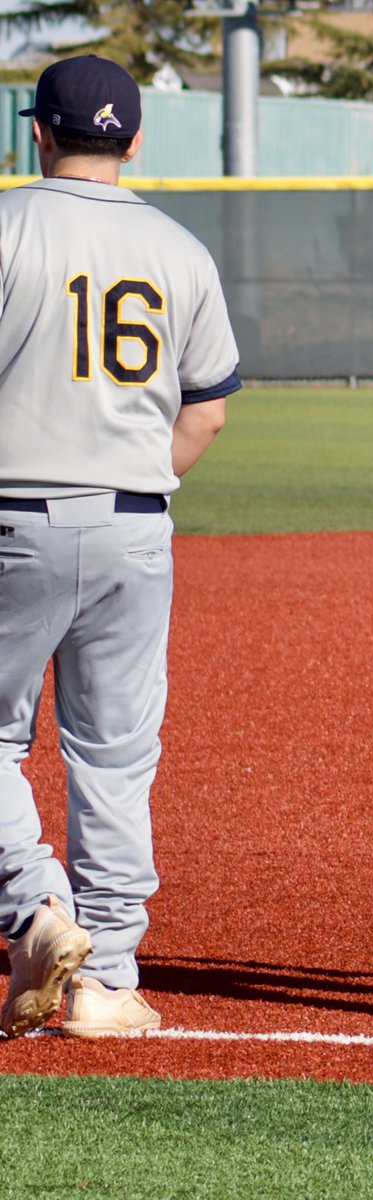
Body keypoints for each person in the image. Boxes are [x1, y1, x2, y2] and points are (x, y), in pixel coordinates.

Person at [0, 55, 241, 1038]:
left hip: (12, 517)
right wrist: (137, 484)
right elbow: (208, 412)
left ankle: (34, 908)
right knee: (113, 758)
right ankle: (107, 979)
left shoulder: (6, 226)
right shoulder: (180, 249)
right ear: (134, 141)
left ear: (37, 132)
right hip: (137, 525)